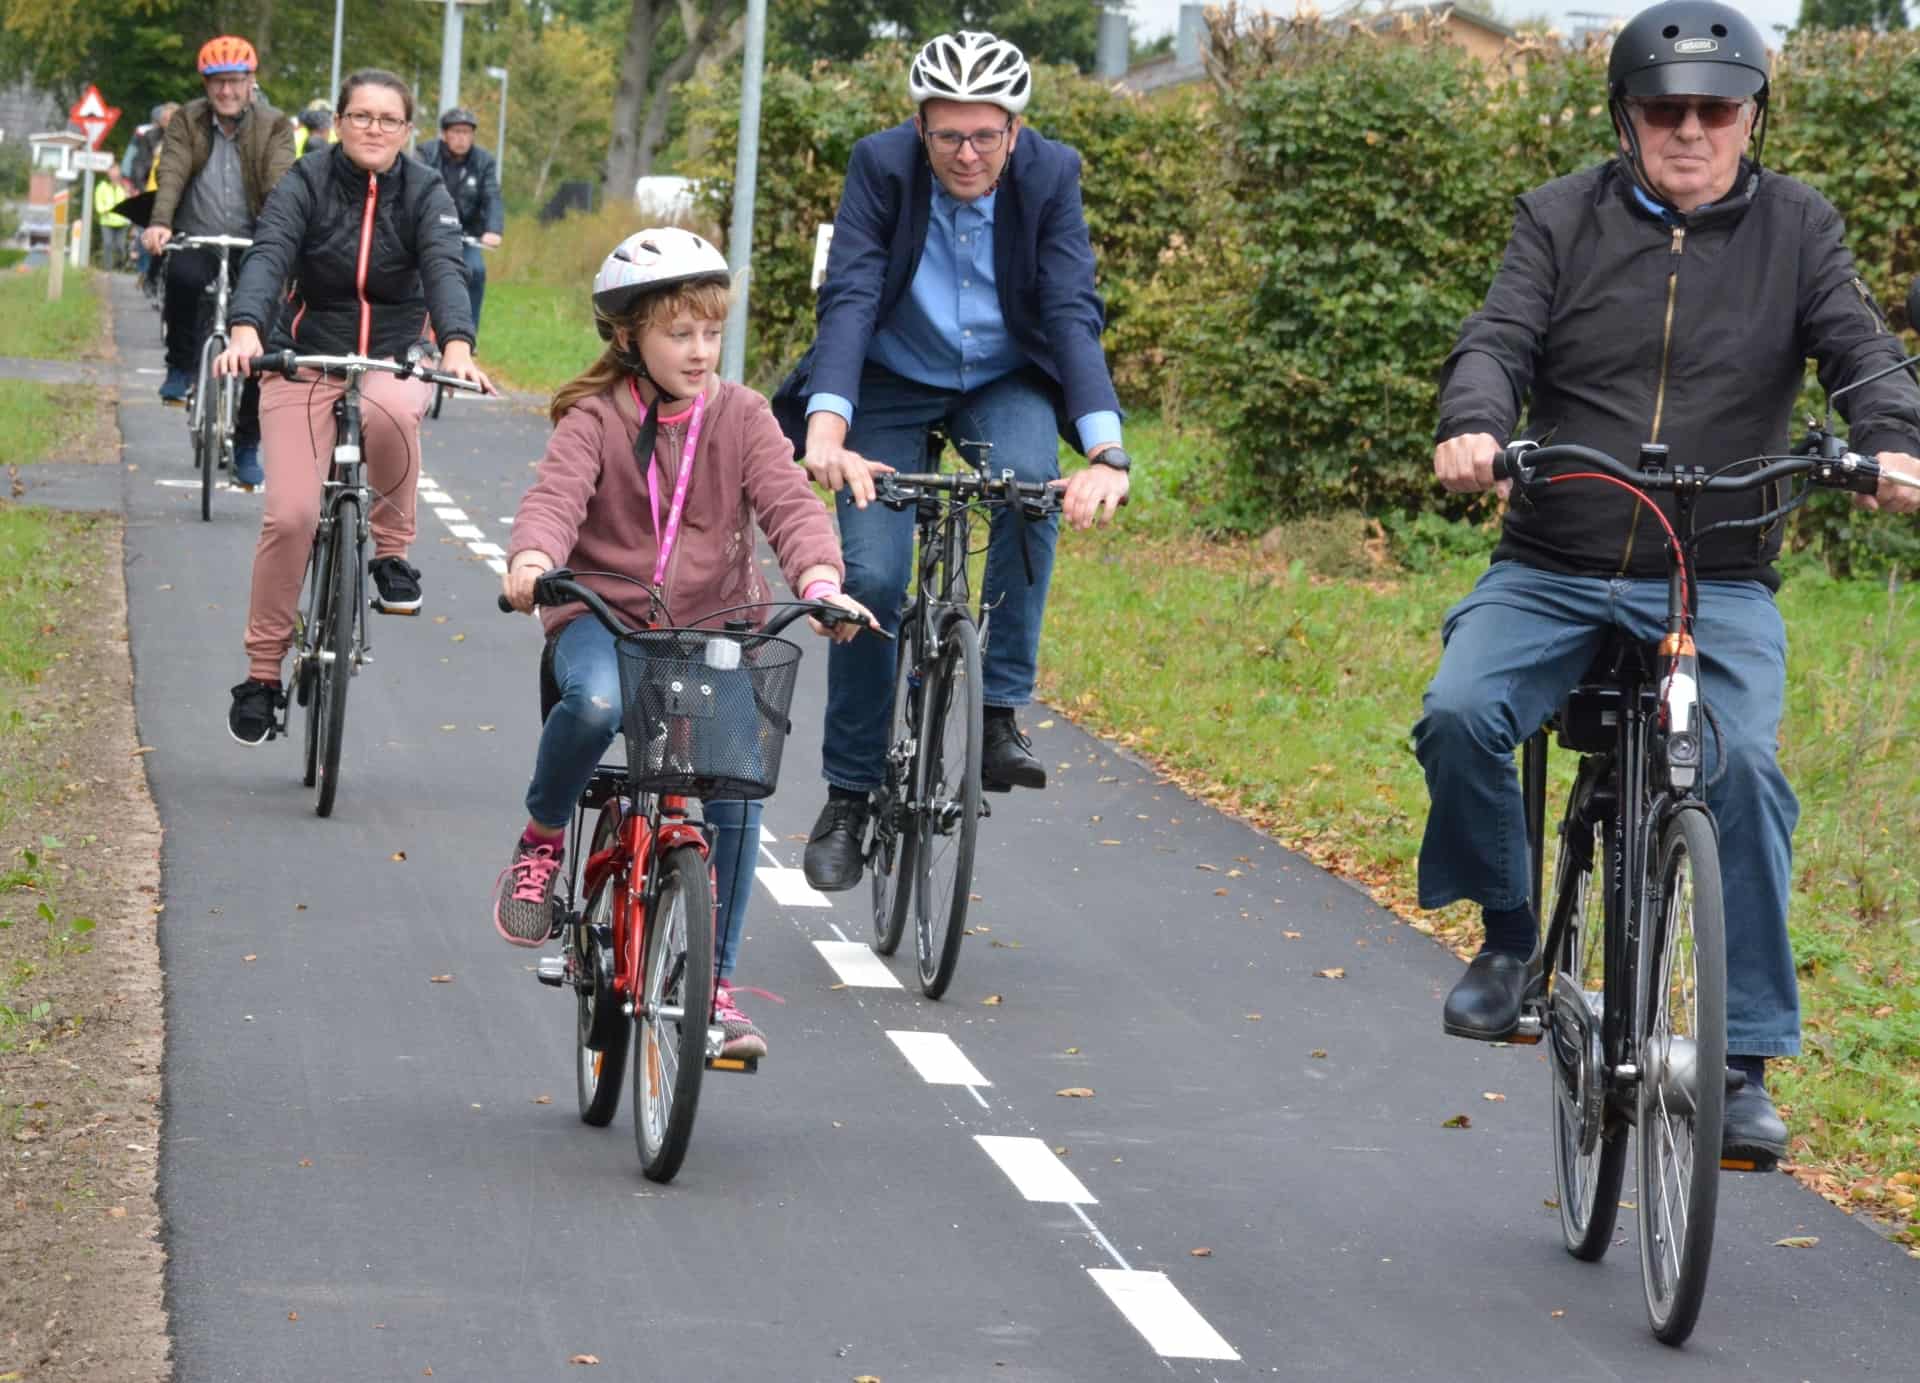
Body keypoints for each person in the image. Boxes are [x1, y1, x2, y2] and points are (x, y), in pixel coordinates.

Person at [1414, 0, 1920, 1173]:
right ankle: (1505, 943)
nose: (1690, 130)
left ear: (1751, 118)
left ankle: (1739, 1064)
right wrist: (1477, 424)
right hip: (1555, 556)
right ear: (1626, 117)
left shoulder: (1801, 226)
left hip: (1718, 567)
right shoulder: (1558, 216)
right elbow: (1497, 338)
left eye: (1715, 110)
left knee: (1741, 769)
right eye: (1664, 110)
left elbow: (1859, 352)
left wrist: (1891, 440)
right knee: (1459, 713)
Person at [496, 228, 875, 1059]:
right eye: (680, 333)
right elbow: (555, 498)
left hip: (711, 629)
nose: (701, 350)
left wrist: (819, 581)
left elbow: (791, 505)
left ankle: (717, 985)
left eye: (711, 331)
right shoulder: (595, 420)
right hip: (602, 618)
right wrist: (532, 559)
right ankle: (543, 837)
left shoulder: (740, 416)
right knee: (592, 705)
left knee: (735, 783)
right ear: (631, 335)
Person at [778, 30, 1131, 893]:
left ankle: (1000, 709)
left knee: (1027, 492)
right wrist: (828, 426)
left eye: (985, 136)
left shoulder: (1051, 175)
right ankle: (850, 795)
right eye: (948, 136)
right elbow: (852, 295)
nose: (966, 154)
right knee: (871, 577)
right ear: (920, 125)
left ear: (1015, 130)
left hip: (1001, 378)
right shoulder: (881, 167)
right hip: (891, 381)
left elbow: (1070, 308)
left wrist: (1106, 450)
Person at [214, 68, 493, 747]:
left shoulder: (425, 190)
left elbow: (444, 267)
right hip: (302, 356)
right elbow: (271, 250)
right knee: (291, 516)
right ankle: (261, 674)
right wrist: (248, 327)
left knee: (394, 410)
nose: (374, 128)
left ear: (407, 130)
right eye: (361, 116)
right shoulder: (306, 181)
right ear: (339, 122)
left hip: (393, 351)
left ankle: (391, 555)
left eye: (388, 119)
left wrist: (455, 344)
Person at [141, 36, 295, 488]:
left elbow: (280, 178)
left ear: (251, 82)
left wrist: (279, 232)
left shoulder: (274, 124)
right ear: (206, 86)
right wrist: (160, 223)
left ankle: (247, 444)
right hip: (199, 234)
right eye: (217, 83)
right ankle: (180, 365)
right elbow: (170, 172)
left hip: (255, 243)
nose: (226, 92)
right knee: (184, 277)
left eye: (234, 81)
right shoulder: (187, 121)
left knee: (259, 339)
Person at [414, 108, 502, 331]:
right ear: (444, 134)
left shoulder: (484, 161)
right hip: (429, 231)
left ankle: (466, 335)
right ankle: (415, 331)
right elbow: (414, 190)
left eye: (467, 132)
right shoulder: (426, 154)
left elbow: (492, 196)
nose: (462, 137)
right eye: (456, 131)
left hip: (466, 234)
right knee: (417, 276)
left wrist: (493, 229)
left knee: (475, 271)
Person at [94, 171, 132, 270]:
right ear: (109, 175)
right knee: (108, 244)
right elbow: (99, 205)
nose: (115, 176)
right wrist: (106, 209)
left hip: (121, 222)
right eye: (113, 174)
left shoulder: (123, 187)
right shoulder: (102, 187)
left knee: (120, 246)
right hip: (107, 221)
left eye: (116, 175)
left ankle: (120, 266)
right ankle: (108, 269)